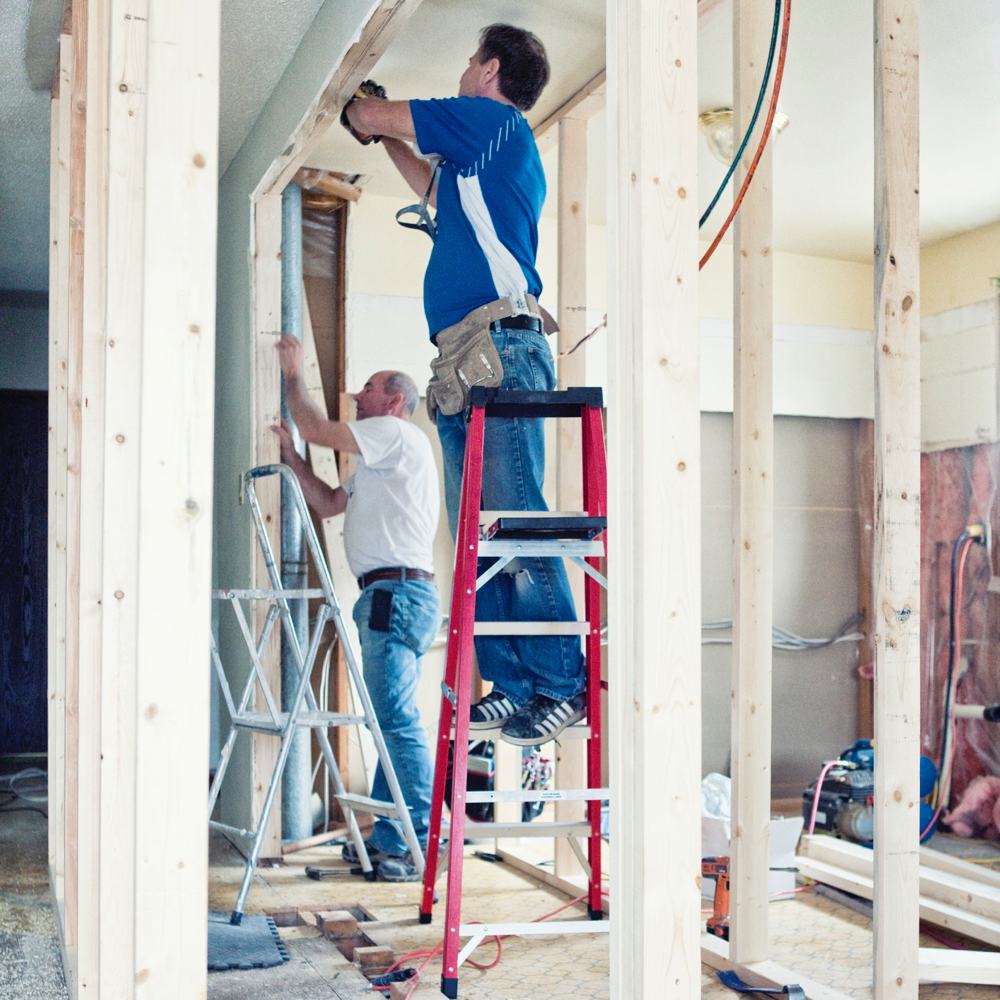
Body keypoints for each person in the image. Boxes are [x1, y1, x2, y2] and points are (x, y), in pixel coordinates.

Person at [343, 24, 586, 747]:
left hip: (498, 353)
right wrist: (386, 138)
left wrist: (363, 110)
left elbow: (377, 117)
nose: (460, 71)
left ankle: (563, 684)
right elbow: (429, 183)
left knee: (515, 526)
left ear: (488, 68)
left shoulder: (495, 123)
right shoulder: (473, 166)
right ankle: (514, 686)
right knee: (482, 539)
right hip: (464, 364)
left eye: (467, 60)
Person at [274, 336, 439, 882]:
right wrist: (295, 460)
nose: (357, 396)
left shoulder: (394, 434)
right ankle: (393, 836)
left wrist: (293, 376)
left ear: (394, 401)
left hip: (396, 595)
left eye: (367, 389)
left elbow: (320, 427)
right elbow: (327, 504)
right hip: (388, 596)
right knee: (388, 722)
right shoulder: (376, 464)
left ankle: (414, 844)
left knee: (395, 721)